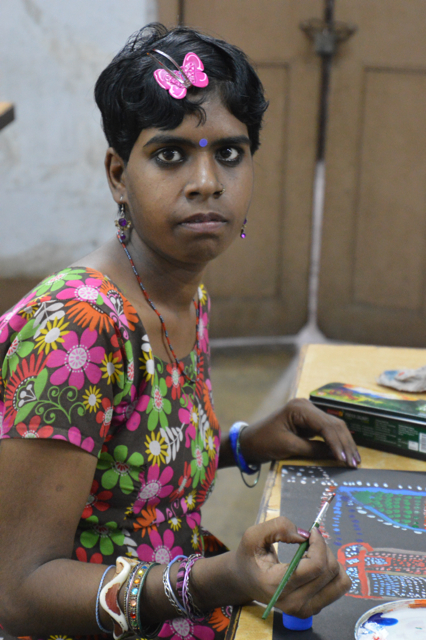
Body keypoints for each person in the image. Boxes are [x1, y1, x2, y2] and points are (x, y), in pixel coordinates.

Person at [0, 23, 359, 640]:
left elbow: (130, 467)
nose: (207, 182)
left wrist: (246, 443)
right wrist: (215, 580)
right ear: (119, 175)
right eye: (171, 154)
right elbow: (20, 591)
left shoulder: (181, 289)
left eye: (230, 153)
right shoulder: (77, 332)